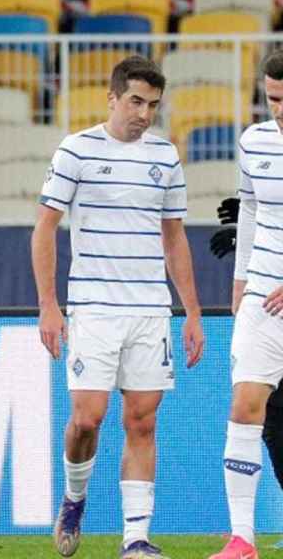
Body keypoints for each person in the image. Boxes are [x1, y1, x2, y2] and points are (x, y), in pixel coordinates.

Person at [31, 55, 204, 559]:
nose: (144, 113)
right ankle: (74, 498)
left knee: (143, 421)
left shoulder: (166, 157)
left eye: (152, 104)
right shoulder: (76, 150)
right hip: (94, 306)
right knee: (88, 418)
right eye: (135, 101)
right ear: (111, 98)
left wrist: (191, 311)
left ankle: (135, 539)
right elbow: (44, 227)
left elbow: (174, 237)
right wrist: (49, 304)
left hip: (151, 308)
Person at [208, 50, 283, 559]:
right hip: (262, 296)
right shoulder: (254, 141)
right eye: (274, 98)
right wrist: (239, 282)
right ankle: (243, 539)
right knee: (245, 406)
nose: (280, 109)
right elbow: (251, 209)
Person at [210, 193, 283, 553]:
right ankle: (243, 539)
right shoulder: (257, 147)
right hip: (267, 305)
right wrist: (247, 236)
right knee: (268, 419)